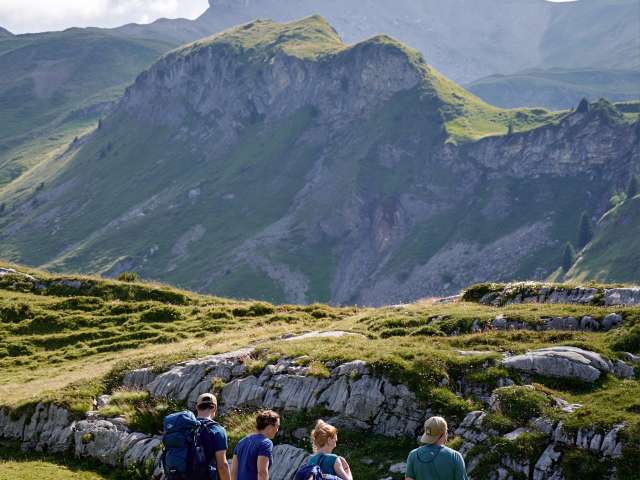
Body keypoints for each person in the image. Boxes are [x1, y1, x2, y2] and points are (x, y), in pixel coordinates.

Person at [231, 410, 280, 480]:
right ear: (270, 426)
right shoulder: (266, 443)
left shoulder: (241, 442)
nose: (277, 430)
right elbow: (262, 473)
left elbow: (233, 472)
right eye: (277, 426)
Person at [195, 393, 232, 480]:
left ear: (197, 407)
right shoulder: (217, 430)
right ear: (214, 407)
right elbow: (222, 466)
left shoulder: (185, 427)